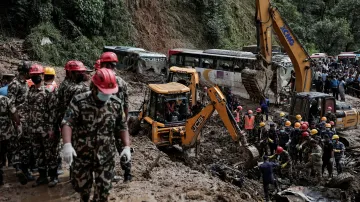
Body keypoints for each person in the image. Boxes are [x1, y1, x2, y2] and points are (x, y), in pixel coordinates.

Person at [61, 68, 131, 202]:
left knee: (103, 194)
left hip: (106, 156)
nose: (107, 95)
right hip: (83, 155)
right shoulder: (79, 101)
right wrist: (67, 144)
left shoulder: (115, 104)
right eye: (104, 92)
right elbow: (67, 123)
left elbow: (122, 126)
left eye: (110, 92)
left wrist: (126, 147)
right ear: (95, 87)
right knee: (83, 192)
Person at [100, 52, 131, 182]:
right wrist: (125, 121)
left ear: (105, 64)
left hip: (105, 120)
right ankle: (127, 173)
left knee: (107, 148)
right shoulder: (122, 82)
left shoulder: (99, 79)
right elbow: (126, 104)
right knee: (123, 147)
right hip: (119, 119)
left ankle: (109, 174)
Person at [26, 64, 59, 187]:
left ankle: (54, 177)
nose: (35, 77)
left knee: (50, 153)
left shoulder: (49, 91)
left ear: (42, 75)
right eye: (33, 75)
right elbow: (28, 109)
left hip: (46, 129)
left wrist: (51, 128)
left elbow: (53, 111)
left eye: (37, 75)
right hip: (34, 128)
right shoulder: (31, 91)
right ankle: (42, 176)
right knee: (38, 153)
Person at [7, 61, 31, 183]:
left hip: (25, 118)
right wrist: (16, 121)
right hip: (19, 119)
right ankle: (21, 170)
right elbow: (10, 103)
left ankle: (23, 169)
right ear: (25, 72)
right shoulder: (15, 84)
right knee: (19, 145)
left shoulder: (24, 83)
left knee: (25, 145)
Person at [0, 95, 20, 185]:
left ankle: (0, 178)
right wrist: (17, 122)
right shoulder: (5, 99)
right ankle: (18, 168)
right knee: (14, 149)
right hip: (8, 131)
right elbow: (14, 112)